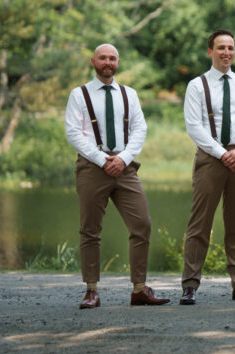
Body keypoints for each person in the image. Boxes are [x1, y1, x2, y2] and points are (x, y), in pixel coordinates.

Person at [65, 44, 169, 309]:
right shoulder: (79, 95)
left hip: (125, 167)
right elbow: (74, 133)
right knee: (90, 229)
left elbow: (139, 129)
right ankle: (91, 291)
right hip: (91, 167)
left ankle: (139, 289)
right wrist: (102, 159)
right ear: (93, 61)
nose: (107, 62)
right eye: (103, 58)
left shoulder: (129, 94)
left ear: (118, 62)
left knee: (142, 224)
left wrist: (122, 158)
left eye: (112, 58)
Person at [180, 29, 235, 305]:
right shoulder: (197, 85)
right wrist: (220, 152)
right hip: (210, 158)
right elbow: (194, 126)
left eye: (230, 48)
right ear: (210, 52)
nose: (226, 53)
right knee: (199, 223)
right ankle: (190, 284)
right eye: (221, 48)